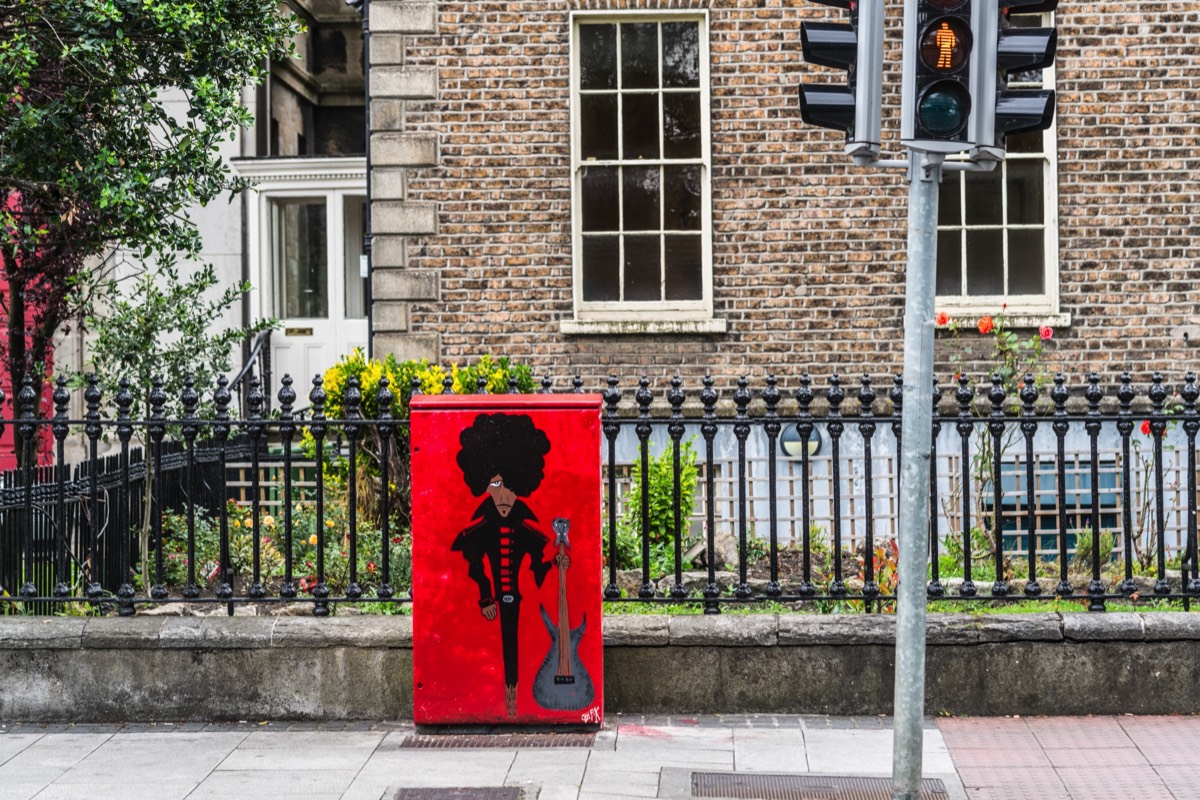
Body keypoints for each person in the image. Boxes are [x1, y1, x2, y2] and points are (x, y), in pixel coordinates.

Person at [451, 413, 568, 718]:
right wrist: (486, 597)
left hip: (516, 599)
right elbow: (473, 560)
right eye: (495, 485)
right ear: (485, 485)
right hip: (494, 602)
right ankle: (505, 702)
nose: (504, 495)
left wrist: (557, 561)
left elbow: (539, 563)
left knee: (514, 648)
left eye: (510, 486)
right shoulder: (478, 530)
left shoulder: (527, 529)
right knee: (497, 649)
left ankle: (513, 702)